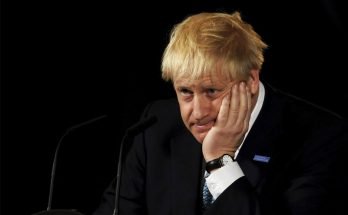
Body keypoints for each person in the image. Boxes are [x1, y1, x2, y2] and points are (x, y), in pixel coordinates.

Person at [93, 11, 347, 215]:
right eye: (185, 92)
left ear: (250, 81)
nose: (198, 112)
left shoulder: (320, 136)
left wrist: (219, 161)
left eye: (212, 91)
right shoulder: (156, 125)